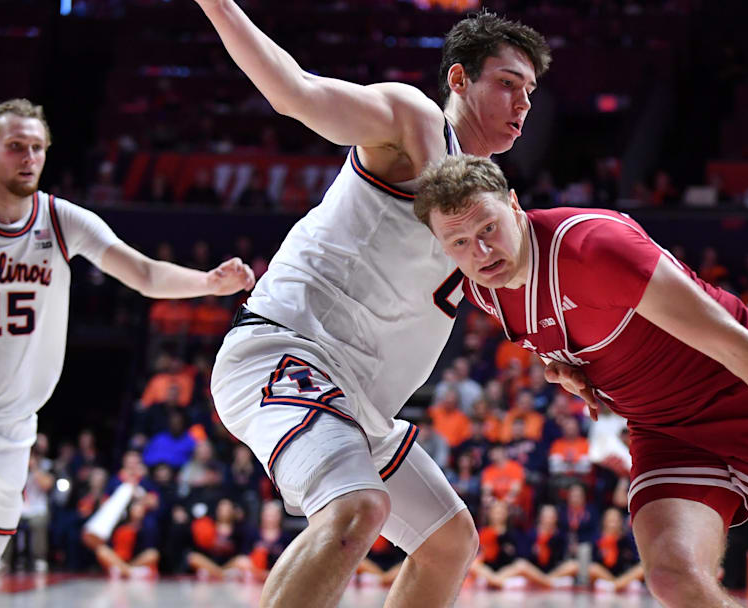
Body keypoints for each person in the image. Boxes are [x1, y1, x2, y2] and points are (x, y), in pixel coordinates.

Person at [413, 155, 748, 608]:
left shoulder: (595, 249)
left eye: (488, 228)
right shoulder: (482, 288)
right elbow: (569, 336)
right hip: (665, 427)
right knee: (672, 576)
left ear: (515, 204)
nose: (480, 250)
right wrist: (569, 373)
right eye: (459, 242)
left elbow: (733, 343)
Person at [192, 1, 552, 607]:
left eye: (530, 93)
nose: (522, 105)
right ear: (459, 80)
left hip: (357, 402)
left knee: (448, 542)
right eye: (507, 84)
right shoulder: (414, 120)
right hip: (287, 351)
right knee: (357, 509)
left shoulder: (490, 204)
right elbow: (294, 91)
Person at [0, 98, 253, 607]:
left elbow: (140, 273)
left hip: (14, 425)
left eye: (36, 148)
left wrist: (207, 282)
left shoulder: (59, 219)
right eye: (14, 147)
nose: (28, 158)